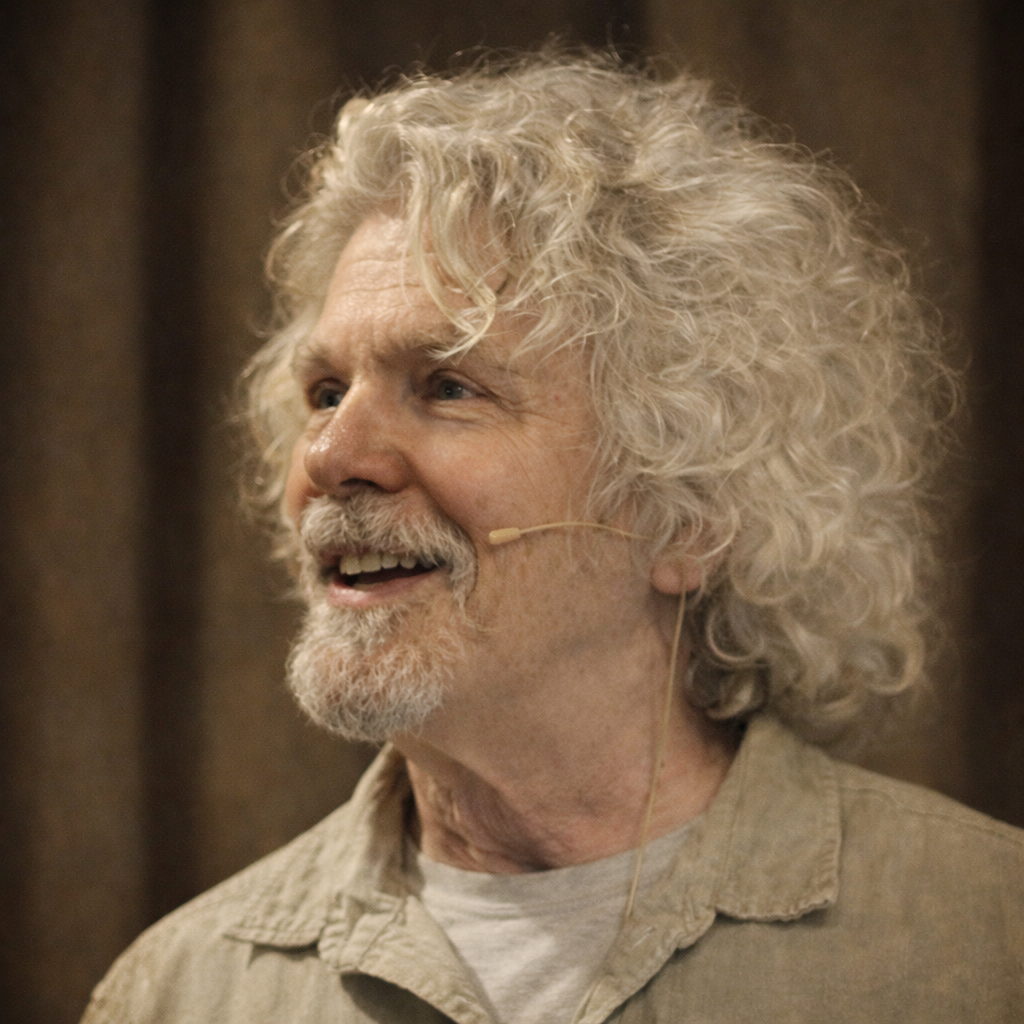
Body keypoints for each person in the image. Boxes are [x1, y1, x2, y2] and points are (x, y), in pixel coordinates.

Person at [82, 52, 1023, 1024]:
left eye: (448, 386)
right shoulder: (179, 992)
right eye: (325, 392)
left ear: (689, 510)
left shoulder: (985, 943)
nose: (330, 454)